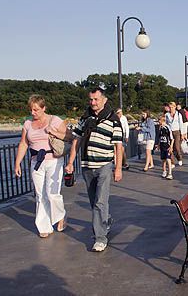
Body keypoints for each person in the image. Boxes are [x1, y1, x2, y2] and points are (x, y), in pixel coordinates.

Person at [65, 87, 123, 252]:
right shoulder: (85, 118)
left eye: (96, 99)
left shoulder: (113, 120)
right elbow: (76, 140)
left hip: (104, 165)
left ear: (104, 100)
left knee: (100, 202)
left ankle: (100, 238)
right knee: (94, 202)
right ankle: (107, 221)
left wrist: (118, 168)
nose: (93, 102)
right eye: (91, 99)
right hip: (87, 166)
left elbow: (118, 146)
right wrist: (70, 163)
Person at [14, 94, 67, 238]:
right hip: (36, 162)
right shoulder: (27, 124)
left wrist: (53, 131)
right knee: (40, 194)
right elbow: (24, 143)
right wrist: (17, 162)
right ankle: (44, 226)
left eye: (36, 110)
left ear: (44, 108)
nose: (33, 113)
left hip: (54, 160)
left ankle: (60, 216)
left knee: (52, 194)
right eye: (31, 109)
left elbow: (69, 137)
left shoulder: (54, 120)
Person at [165, 102, 186, 167]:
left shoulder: (178, 114)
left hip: (177, 131)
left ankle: (179, 158)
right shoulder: (167, 115)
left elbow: (181, 124)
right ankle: (172, 162)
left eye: (172, 107)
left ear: (175, 107)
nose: (171, 108)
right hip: (170, 131)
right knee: (170, 147)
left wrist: (182, 134)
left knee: (177, 146)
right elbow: (166, 123)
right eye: (170, 107)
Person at [157, 115, 174, 180]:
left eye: (159, 121)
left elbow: (172, 138)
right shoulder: (160, 128)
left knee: (168, 159)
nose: (158, 122)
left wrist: (171, 147)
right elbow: (159, 137)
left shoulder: (167, 128)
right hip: (162, 146)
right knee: (163, 159)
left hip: (167, 146)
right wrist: (158, 145)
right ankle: (164, 171)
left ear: (162, 121)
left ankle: (170, 173)